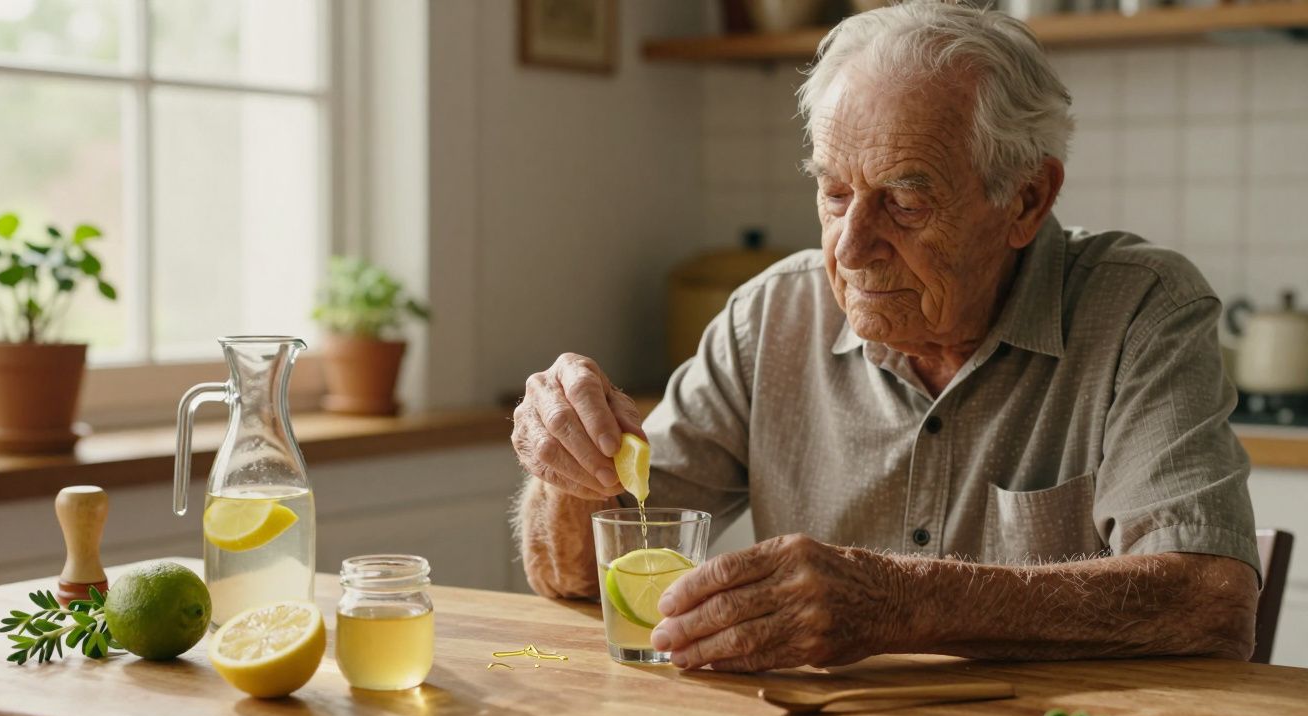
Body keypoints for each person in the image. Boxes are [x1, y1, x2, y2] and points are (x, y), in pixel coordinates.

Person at [511, 0, 1259, 672]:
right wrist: (571, 468)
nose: (851, 245)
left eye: (904, 201)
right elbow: (579, 572)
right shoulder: (770, 315)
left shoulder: (1142, 309)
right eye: (835, 194)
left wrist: (904, 602)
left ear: (1027, 200)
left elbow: (1210, 600)